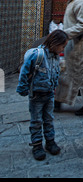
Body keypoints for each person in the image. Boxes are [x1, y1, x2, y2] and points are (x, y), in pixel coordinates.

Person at [16, 30, 68, 161]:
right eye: (62, 46)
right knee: (36, 121)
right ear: (55, 43)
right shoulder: (36, 54)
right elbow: (24, 71)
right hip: (36, 95)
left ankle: (50, 142)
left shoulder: (55, 56)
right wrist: (22, 88)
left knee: (48, 119)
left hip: (49, 93)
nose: (63, 49)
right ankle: (37, 145)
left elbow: (55, 72)